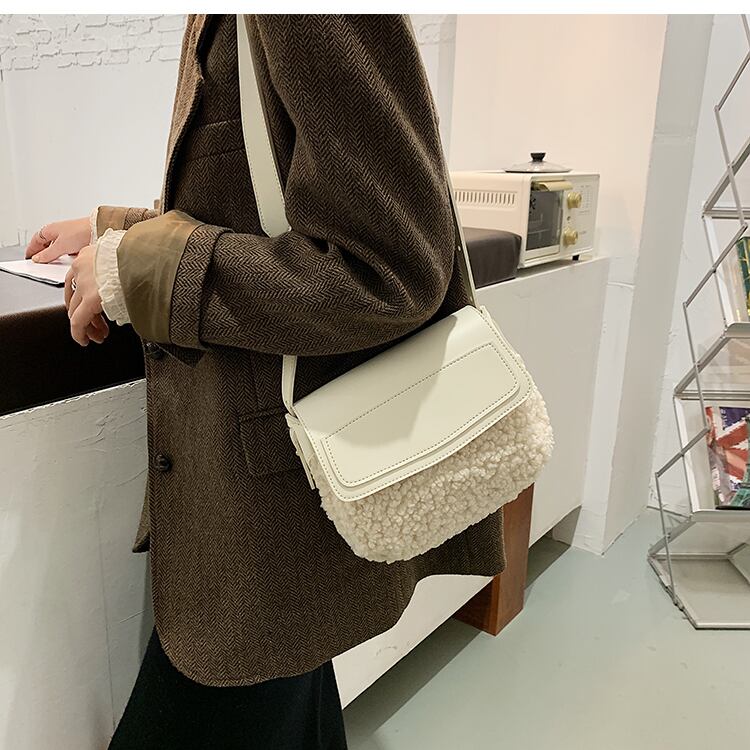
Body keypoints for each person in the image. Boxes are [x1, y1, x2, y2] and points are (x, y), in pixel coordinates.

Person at [26, 14, 507, 749]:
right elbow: (258, 203)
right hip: (274, 507)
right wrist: (118, 230)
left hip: (270, 515)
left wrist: (138, 265)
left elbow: (390, 269)